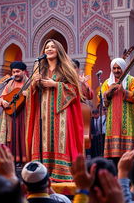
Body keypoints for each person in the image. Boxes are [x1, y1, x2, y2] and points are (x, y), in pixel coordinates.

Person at [26, 39, 84, 182]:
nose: (49, 49)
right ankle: (41, 172)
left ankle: (60, 173)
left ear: (59, 50)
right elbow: (30, 92)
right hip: (42, 112)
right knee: (42, 139)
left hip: (61, 113)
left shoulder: (66, 68)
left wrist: (55, 85)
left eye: (52, 47)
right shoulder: (39, 68)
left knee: (60, 140)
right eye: (47, 47)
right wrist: (35, 83)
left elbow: (74, 90)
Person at [101, 58, 134, 163]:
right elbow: (104, 102)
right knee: (113, 157)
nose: (116, 70)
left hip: (127, 119)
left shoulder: (131, 80)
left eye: (119, 68)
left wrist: (124, 91)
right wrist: (107, 93)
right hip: (112, 121)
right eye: (114, 68)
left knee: (128, 154)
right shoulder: (107, 82)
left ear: (124, 68)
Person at [0, 61, 28, 163]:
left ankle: (24, 160)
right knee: (12, 137)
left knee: (23, 136)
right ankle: (11, 161)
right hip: (10, 116)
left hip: (24, 115)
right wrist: (3, 101)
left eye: (18, 71)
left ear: (24, 72)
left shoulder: (29, 83)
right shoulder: (10, 83)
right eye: (13, 72)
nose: (15, 74)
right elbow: (1, 97)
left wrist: (28, 95)